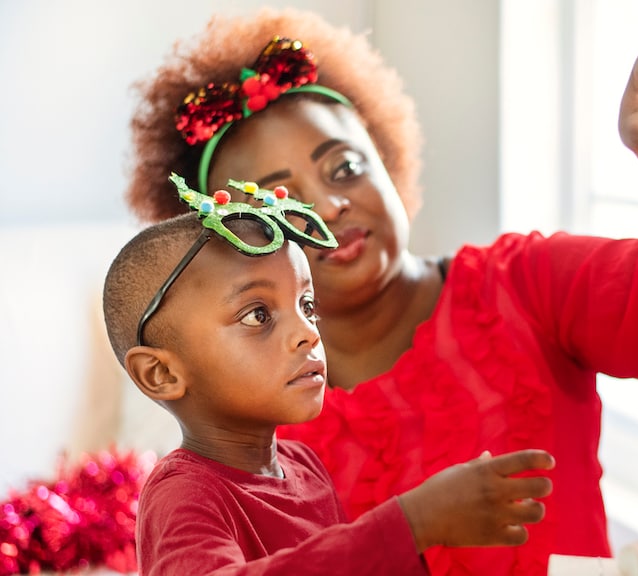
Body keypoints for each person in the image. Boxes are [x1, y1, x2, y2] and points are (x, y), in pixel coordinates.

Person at [126, 8, 638, 574]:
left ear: (388, 160)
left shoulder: (523, 284)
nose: (332, 204)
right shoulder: (243, 433)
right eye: (281, 200)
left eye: (344, 168)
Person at [101, 178, 555, 575]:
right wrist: (411, 523)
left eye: (308, 306)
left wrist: (430, 532)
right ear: (160, 373)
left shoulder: (305, 465)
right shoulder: (184, 495)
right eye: (258, 314)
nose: (307, 333)